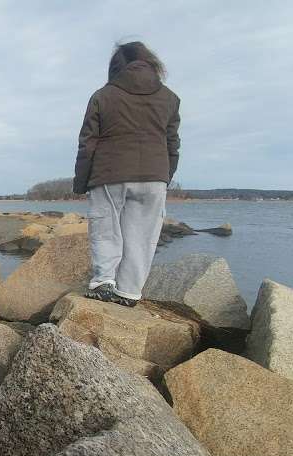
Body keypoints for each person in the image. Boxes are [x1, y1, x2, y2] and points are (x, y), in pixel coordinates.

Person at [73, 41, 180, 307]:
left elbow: (88, 142)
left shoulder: (102, 95)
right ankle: (129, 291)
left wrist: (81, 181)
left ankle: (104, 281)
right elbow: (172, 143)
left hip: (110, 173)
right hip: (155, 176)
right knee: (142, 235)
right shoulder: (170, 98)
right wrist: (165, 176)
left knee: (106, 226)